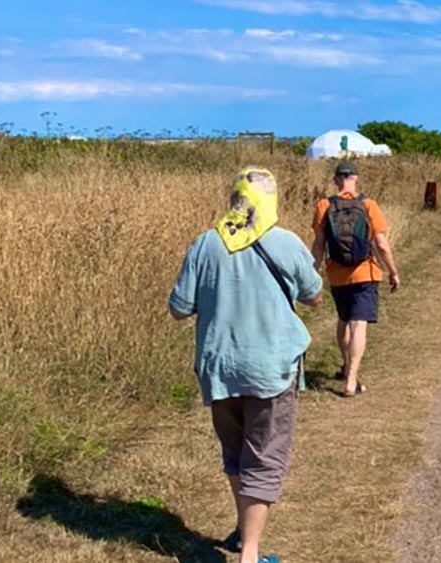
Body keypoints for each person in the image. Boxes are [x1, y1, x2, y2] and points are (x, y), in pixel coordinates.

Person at [169, 167, 323, 563]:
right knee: (265, 457)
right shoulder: (285, 242)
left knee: (235, 453)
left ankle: (242, 533)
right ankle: (250, 553)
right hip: (271, 369)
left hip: (220, 369)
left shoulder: (204, 244)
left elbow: (179, 308)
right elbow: (314, 295)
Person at [311, 160, 401, 398]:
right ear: (356, 178)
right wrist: (392, 270)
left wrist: (312, 277)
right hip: (366, 271)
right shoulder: (368, 205)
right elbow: (380, 244)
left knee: (343, 320)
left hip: (336, 273)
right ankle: (351, 380)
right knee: (358, 324)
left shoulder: (323, 205)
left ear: (335, 179)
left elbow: (319, 245)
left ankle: (345, 365)